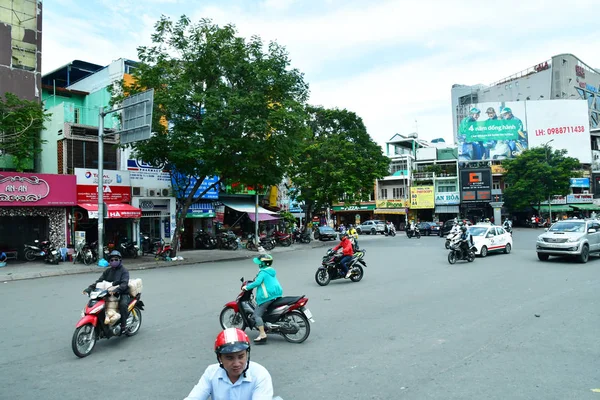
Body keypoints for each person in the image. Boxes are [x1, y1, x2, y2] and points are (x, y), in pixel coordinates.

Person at [184, 328, 274, 400]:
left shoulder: (260, 374)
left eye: (241, 356)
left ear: (247, 354)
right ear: (220, 358)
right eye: (229, 358)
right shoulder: (211, 372)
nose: (236, 364)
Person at [83, 250, 130, 334]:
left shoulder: (124, 271)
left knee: (123, 305)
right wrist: (89, 289)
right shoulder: (107, 271)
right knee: (99, 305)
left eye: (116, 259)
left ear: (120, 260)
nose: (114, 261)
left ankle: (124, 326)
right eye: (112, 260)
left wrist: (116, 290)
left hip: (122, 293)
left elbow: (124, 284)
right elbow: (99, 281)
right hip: (108, 293)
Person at [242, 254, 283, 344]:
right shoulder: (271, 271)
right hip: (276, 294)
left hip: (267, 296)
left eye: (260, 263)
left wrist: (247, 287)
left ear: (263, 264)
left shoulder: (263, 272)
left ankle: (262, 334)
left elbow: (257, 282)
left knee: (257, 315)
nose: (258, 264)